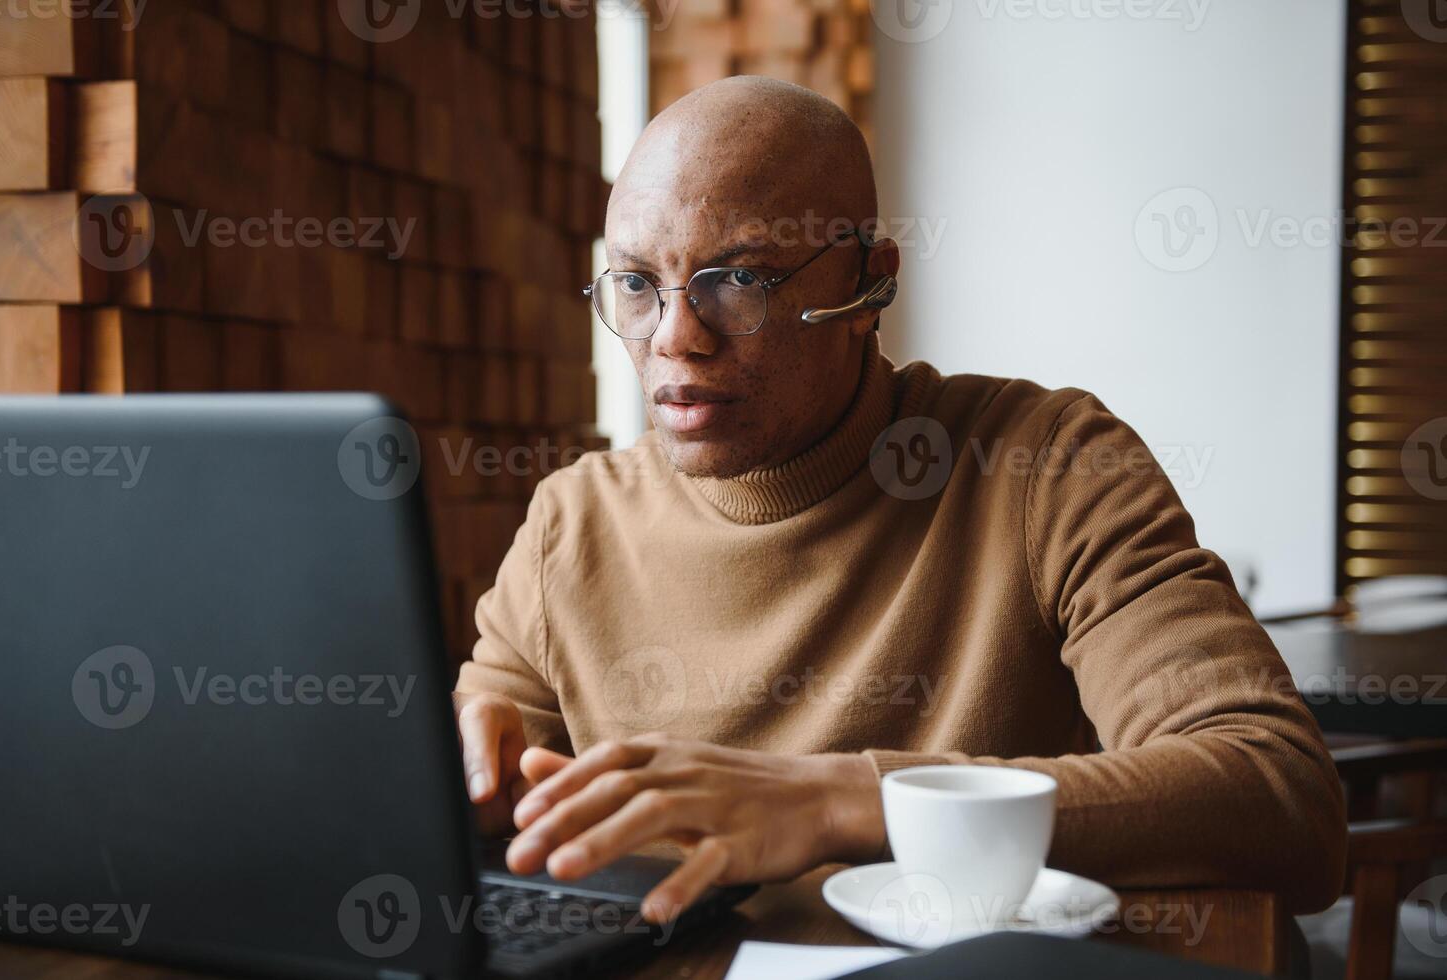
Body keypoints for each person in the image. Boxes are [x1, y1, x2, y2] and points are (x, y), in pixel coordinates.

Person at [453, 75, 1346, 924]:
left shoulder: (1048, 465)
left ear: (868, 281)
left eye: (741, 280)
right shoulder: (569, 526)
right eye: (639, 283)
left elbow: (1278, 796)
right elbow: (490, 821)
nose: (676, 338)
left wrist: (847, 801)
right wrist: (463, 787)